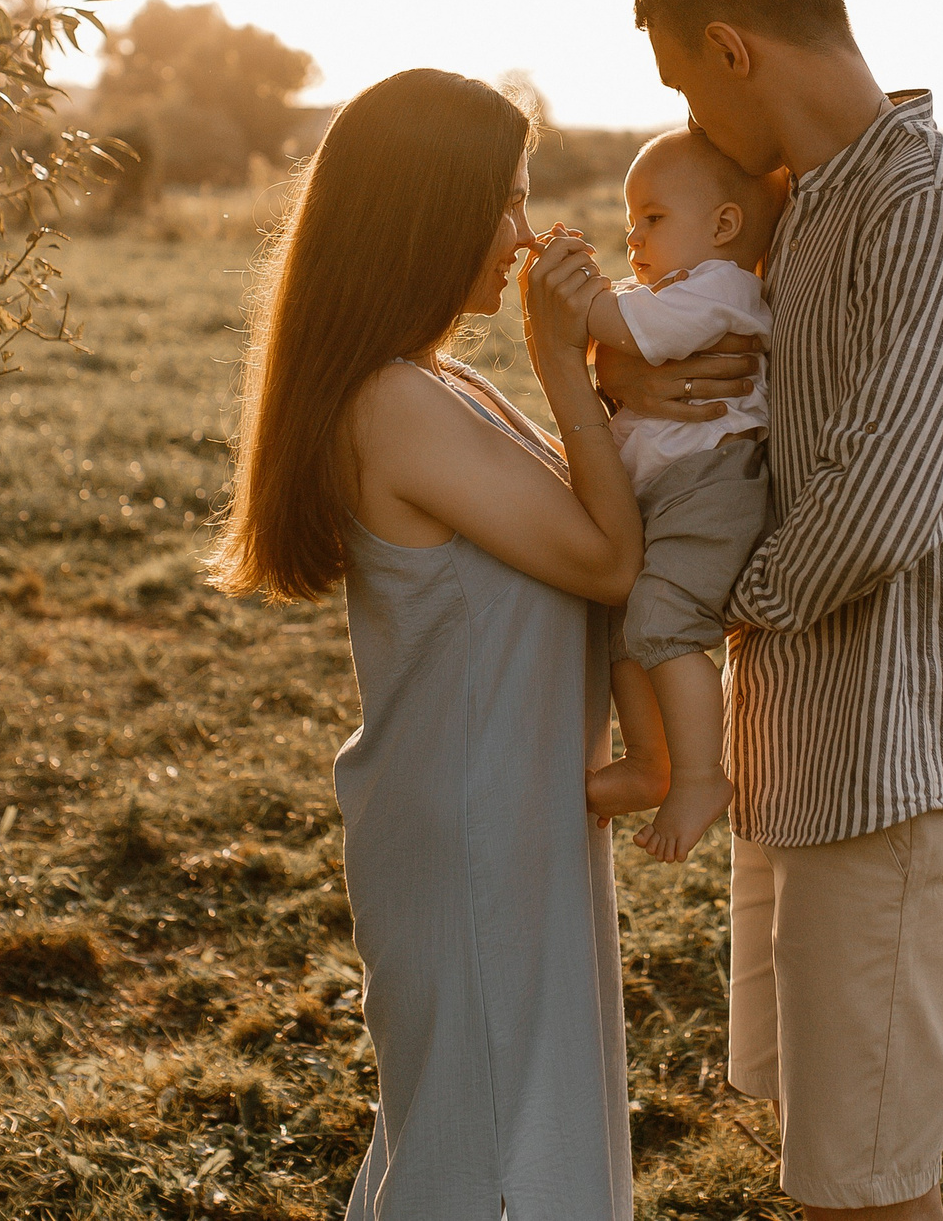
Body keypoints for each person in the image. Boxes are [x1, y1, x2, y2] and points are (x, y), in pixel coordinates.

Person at [598, 0, 943, 1221]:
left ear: (732, 48)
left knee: (868, 1190)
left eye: (682, 80)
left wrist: (700, 604)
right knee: (820, 1159)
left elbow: (885, 501)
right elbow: (692, 342)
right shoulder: (791, 215)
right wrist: (625, 360)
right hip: (800, 743)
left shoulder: (936, 210)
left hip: (896, 761)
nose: (682, 114)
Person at [210, 68, 637, 1221]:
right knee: (490, 1154)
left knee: (481, 1126)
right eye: (500, 203)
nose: (523, 232)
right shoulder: (396, 406)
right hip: (473, 825)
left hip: (506, 806)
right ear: (426, 216)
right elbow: (608, 560)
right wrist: (564, 365)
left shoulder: (438, 384)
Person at [576, 128, 787, 861]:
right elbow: (629, 334)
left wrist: (570, 306)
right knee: (632, 626)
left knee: (664, 618)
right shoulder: (674, 286)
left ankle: (701, 775)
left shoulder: (722, 286)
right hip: (673, 494)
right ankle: (647, 762)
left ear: (723, 226)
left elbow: (638, 330)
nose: (633, 236)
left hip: (711, 490)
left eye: (654, 218)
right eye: (630, 220)